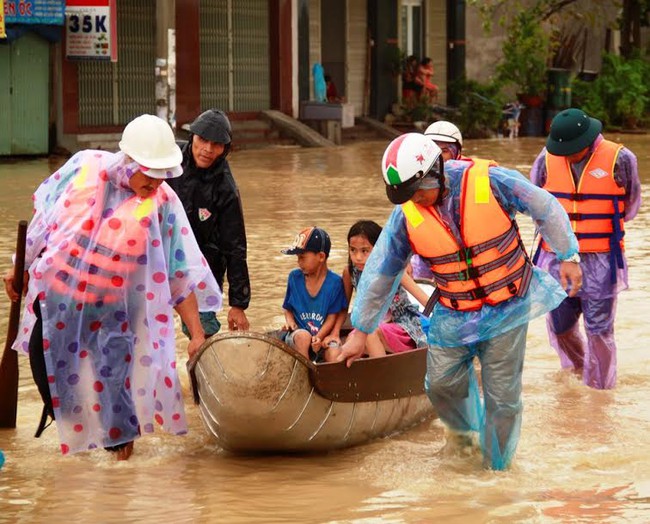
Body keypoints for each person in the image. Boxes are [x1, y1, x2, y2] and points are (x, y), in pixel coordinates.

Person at [338, 133, 582, 470]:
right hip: (453, 314)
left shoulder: (490, 181)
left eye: (418, 191)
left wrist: (569, 255)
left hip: (506, 308)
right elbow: (382, 271)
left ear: (435, 172)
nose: (415, 201)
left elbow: (544, 206)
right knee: (440, 384)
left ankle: (496, 469)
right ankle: (466, 442)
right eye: (407, 195)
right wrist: (360, 330)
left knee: (503, 398)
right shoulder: (406, 214)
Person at [3, 114, 222, 460]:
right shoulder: (84, 168)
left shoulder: (162, 203)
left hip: (115, 316)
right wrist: (21, 266)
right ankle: (80, 476)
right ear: (130, 160)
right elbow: (43, 223)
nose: (157, 181)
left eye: (162, 174)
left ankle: (120, 484)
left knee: (116, 408)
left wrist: (196, 333)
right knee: (56, 391)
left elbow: (179, 271)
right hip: (60, 303)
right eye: (149, 172)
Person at [531, 108, 641, 390]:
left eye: (572, 150)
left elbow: (630, 206)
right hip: (556, 259)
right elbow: (535, 202)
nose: (566, 155)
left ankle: (600, 393)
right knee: (560, 326)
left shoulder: (622, 159)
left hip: (601, 258)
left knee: (600, 329)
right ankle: (579, 370)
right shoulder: (545, 160)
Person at [168, 109, 251, 335]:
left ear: (225, 149)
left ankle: (201, 367)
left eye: (216, 144)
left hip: (202, 262)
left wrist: (238, 303)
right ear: (192, 136)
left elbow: (235, 246)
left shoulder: (226, 188)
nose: (207, 149)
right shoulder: (169, 157)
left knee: (201, 331)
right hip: (161, 253)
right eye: (202, 139)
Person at [324, 220, 429, 357]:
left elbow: (424, 299)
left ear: (379, 249)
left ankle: (382, 374)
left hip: (400, 326)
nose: (358, 257)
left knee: (370, 334)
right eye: (353, 250)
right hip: (367, 327)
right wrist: (335, 333)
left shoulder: (393, 269)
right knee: (337, 351)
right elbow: (343, 309)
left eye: (365, 251)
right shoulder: (350, 272)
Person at [280, 226, 347, 363]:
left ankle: (330, 382)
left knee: (335, 353)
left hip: (323, 336)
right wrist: (291, 323)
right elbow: (287, 309)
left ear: (321, 257)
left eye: (303, 257)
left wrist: (319, 337)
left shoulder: (335, 283)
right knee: (303, 337)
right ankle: (306, 379)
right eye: (298, 258)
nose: (299, 262)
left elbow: (332, 317)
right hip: (298, 335)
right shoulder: (294, 277)